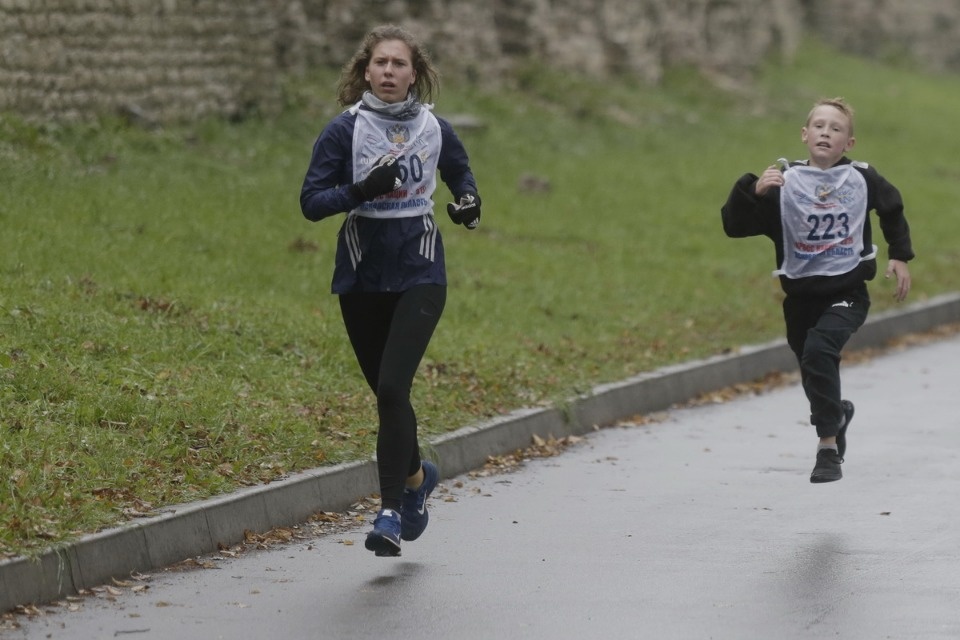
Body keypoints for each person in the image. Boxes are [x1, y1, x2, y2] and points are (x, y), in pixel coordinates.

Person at [299, 25, 482, 555]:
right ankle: (418, 481)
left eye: (398, 64)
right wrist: (362, 189)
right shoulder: (343, 132)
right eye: (379, 63)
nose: (388, 72)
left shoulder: (435, 128)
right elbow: (311, 203)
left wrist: (468, 204)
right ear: (364, 71)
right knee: (384, 392)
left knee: (394, 388)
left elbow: (462, 176)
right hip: (361, 272)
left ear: (415, 74)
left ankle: (388, 515)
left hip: (420, 267)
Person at [720, 97, 914, 483]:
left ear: (849, 143)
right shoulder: (784, 184)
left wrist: (900, 255)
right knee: (812, 364)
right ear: (805, 134)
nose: (827, 132)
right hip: (800, 297)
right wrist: (754, 192)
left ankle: (827, 449)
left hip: (848, 291)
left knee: (820, 349)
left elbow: (891, 207)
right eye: (820, 126)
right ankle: (837, 414)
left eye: (836, 128)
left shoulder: (861, 178)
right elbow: (734, 226)